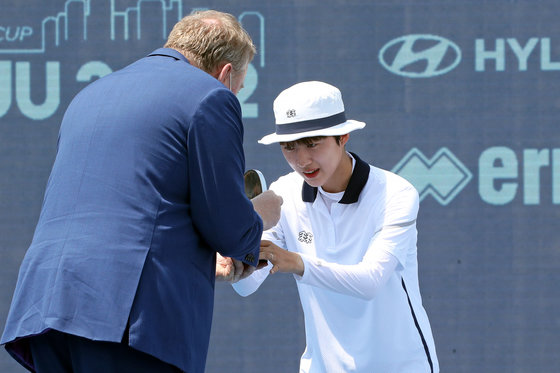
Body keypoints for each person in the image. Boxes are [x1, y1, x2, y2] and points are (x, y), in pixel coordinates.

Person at [1, 9, 282, 373]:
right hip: (127, 317)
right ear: (225, 74)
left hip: (46, 310)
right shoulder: (212, 95)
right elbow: (226, 221)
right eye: (239, 88)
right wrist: (257, 221)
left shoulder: (89, 95)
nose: (234, 95)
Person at [233, 81, 439, 372]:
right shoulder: (284, 194)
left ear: (343, 136)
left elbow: (369, 282)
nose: (302, 160)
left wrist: (296, 262)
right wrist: (236, 244)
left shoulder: (395, 193)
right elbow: (247, 285)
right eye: (289, 147)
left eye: (312, 143)